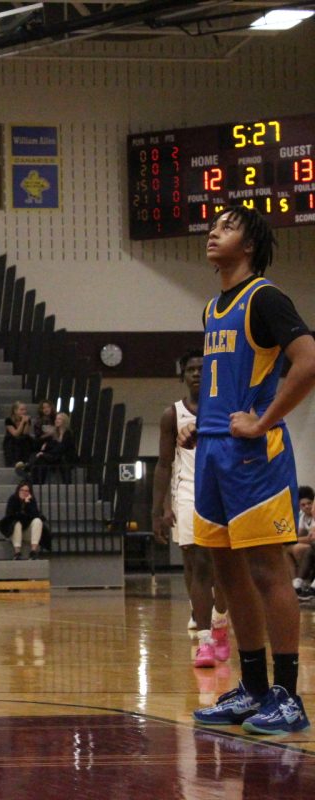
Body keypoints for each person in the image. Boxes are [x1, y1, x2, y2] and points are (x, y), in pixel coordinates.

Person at [188, 206, 315, 735]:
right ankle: (255, 688)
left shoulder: (264, 298)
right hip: (214, 450)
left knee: (267, 570)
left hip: (252, 457)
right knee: (226, 571)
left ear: (251, 243)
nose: (215, 231)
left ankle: (288, 695)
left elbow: (308, 361)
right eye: (214, 225)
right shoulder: (212, 309)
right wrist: (207, 423)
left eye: (228, 225)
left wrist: (263, 420)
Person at [152, 350, 230, 668]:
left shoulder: (226, 407)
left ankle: (220, 620)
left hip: (224, 489)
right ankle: (204, 639)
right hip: (189, 491)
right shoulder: (173, 414)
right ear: (182, 376)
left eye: (202, 368)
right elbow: (163, 464)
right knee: (197, 561)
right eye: (191, 369)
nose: (197, 373)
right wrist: (158, 509)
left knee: (223, 565)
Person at [22, 411, 76, 483]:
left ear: (64, 421)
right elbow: (52, 445)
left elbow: (61, 448)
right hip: (55, 456)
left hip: (64, 456)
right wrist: (46, 446)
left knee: (42, 456)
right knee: (40, 458)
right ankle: (36, 480)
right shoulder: (55, 433)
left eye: (59, 419)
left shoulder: (67, 433)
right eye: (56, 419)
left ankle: (28, 468)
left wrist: (44, 453)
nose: (56, 420)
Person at [0, 481, 46, 560]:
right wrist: (22, 508)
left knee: (37, 521)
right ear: (18, 490)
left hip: (26, 531)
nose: (24, 492)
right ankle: (17, 552)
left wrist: (27, 504)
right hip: (13, 531)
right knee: (17, 523)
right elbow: (10, 517)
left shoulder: (31, 501)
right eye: (22, 490)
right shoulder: (13, 499)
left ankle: (33, 551)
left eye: (26, 491)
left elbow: (35, 515)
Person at [2, 401, 36, 468]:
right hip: (12, 439)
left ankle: (26, 463)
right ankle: (15, 463)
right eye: (21, 410)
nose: (24, 411)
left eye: (25, 409)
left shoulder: (27, 419)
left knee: (27, 440)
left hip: (23, 438)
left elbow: (25, 433)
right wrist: (22, 422)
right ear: (15, 411)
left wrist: (26, 423)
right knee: (14, 443)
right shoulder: (8, 420)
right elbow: (15, 434)